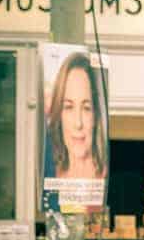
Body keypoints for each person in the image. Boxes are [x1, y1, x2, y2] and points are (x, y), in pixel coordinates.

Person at [46, 52, 107, 181]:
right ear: (59, 115)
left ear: (95, 115)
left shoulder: (108, 178)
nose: (78, 123)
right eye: (69, 107)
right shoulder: (49, 175)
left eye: (86, 108)